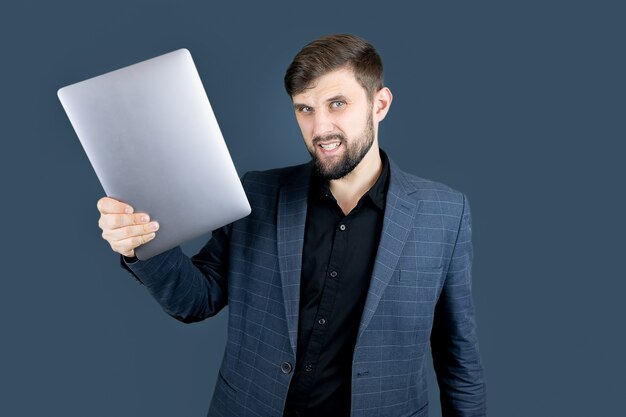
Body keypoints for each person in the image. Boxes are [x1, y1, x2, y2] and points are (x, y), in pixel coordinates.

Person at [97, 34, 486, 417]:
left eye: (337, 104)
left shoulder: (445, 213)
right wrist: (140, 244)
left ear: (379, 104)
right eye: (304, 109)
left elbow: (457, 355)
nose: (320, 129)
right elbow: (195, 301)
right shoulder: (257, 195)